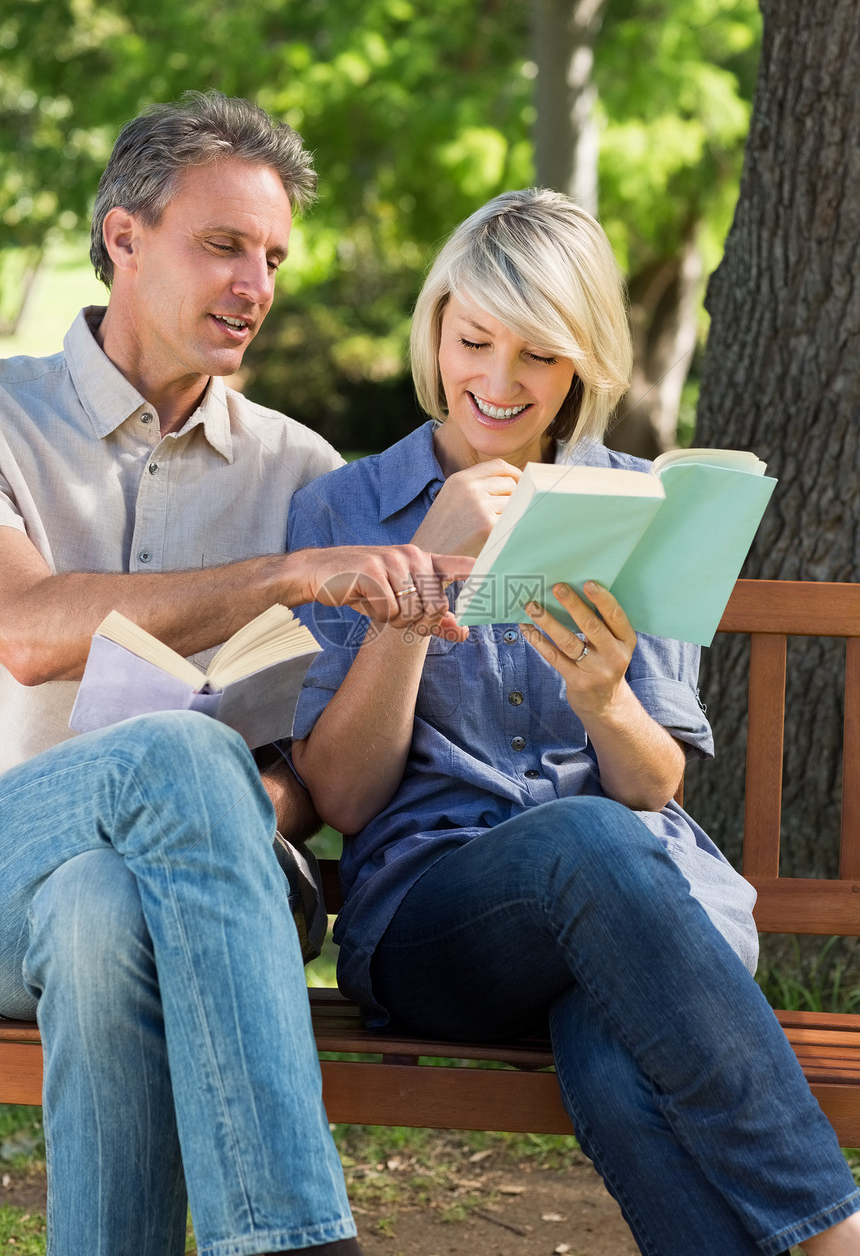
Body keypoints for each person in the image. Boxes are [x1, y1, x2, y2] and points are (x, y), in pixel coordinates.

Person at [285, 189, 860, 1256]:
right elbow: (346, 798)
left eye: (538, 356)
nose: (497, 384)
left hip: (644, 923)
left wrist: (603, 698)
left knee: (613, 1053)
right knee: (582, 840)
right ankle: (835, 1234)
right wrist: (420, 590)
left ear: (583, 360)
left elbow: (652, 787)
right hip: (438, 925)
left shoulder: (640, 502)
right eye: (473, 342)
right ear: (435, 328)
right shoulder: (345, 511)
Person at [0, 90, 469, 1256]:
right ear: (123, 236)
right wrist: (289, 575)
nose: (255, 284)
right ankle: (296, 1237)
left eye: (271, 256)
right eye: (223, 245)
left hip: (186, 889)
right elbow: (27, 628)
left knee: (112, 909)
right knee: (172, 751)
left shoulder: (299, 466)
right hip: (8, 853)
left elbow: (312, 768)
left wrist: (264, 800)